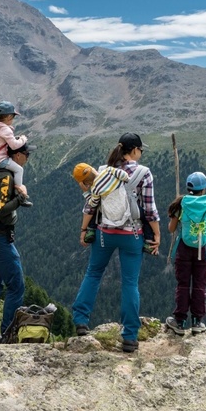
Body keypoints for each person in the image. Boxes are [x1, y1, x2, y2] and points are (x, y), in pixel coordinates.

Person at [70, 132, 161, 353]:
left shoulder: (102, 171)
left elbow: (92, 204)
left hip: (104, 233)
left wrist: (84, 229)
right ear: (135, 151)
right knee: (130, 283)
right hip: (132, 235)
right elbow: (149, 209)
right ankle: (129, 337)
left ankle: (81, 320)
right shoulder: (143, 173)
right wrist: (156, 235)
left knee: (93, 273)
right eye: (141, 150)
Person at [0, 142, 34, 343]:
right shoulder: (4, 177)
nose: (28, 158)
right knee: (16, 286)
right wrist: (21, 198)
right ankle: (8, 334)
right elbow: (2, 209)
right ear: (16, 155)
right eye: (26, 154)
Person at [165, 171, 206, 336]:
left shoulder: (182, 204)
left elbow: (171, 229)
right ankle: (197, 321)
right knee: (199, 285)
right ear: (203, 190)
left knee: (183, 284)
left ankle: (179, 321)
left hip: (184, 248)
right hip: (202, 249)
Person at [0, 101, 32, 204]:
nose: (13, 119)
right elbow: (14, 145)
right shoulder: (5, 129)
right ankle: (19, 193)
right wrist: (23, 139)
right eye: (13, 117)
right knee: (19, 170)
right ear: (9, 117)